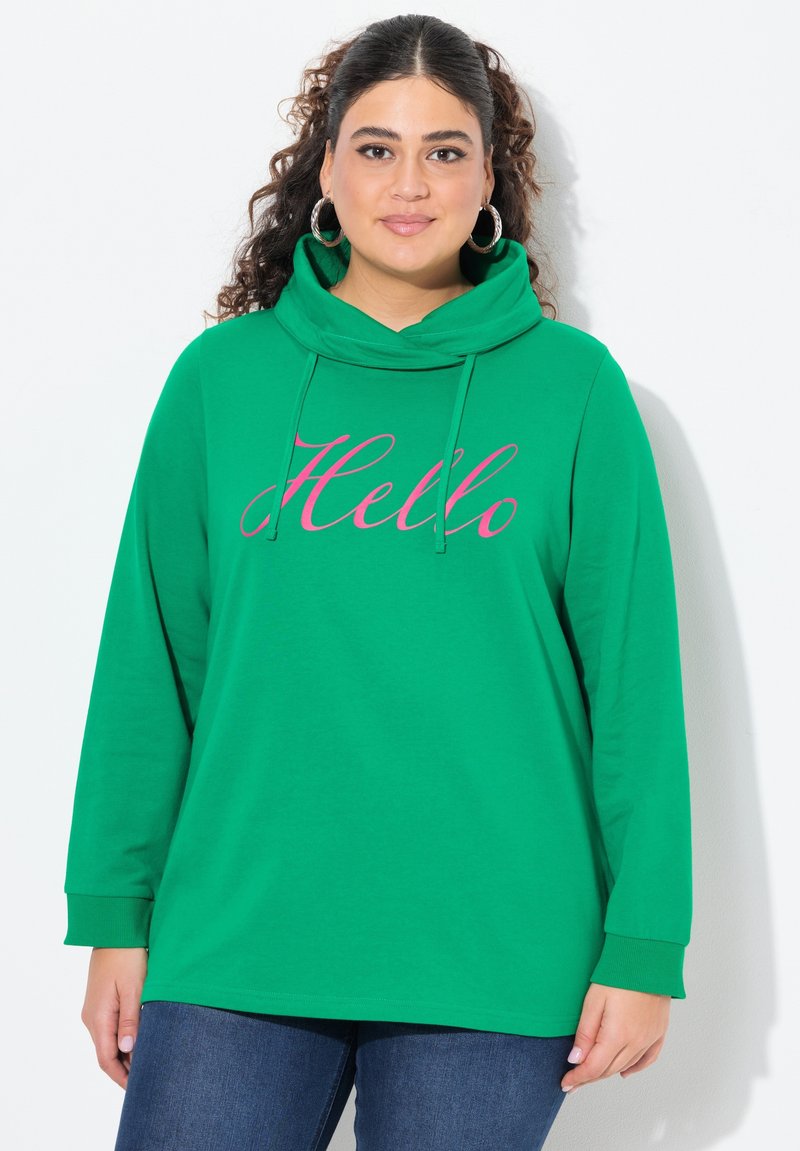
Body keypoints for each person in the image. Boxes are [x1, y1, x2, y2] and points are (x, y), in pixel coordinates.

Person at [62, 13, 693, 1150]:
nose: (410, 183)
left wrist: (646, 943)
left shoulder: (573, 391)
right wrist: (114, 912)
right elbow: (150, 664)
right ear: (326, 168)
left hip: (495, 947)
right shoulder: (221, 382)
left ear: (490, 176)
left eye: (445, 150)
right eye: (376, 147)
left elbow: (634, 687)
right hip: (238, 935)